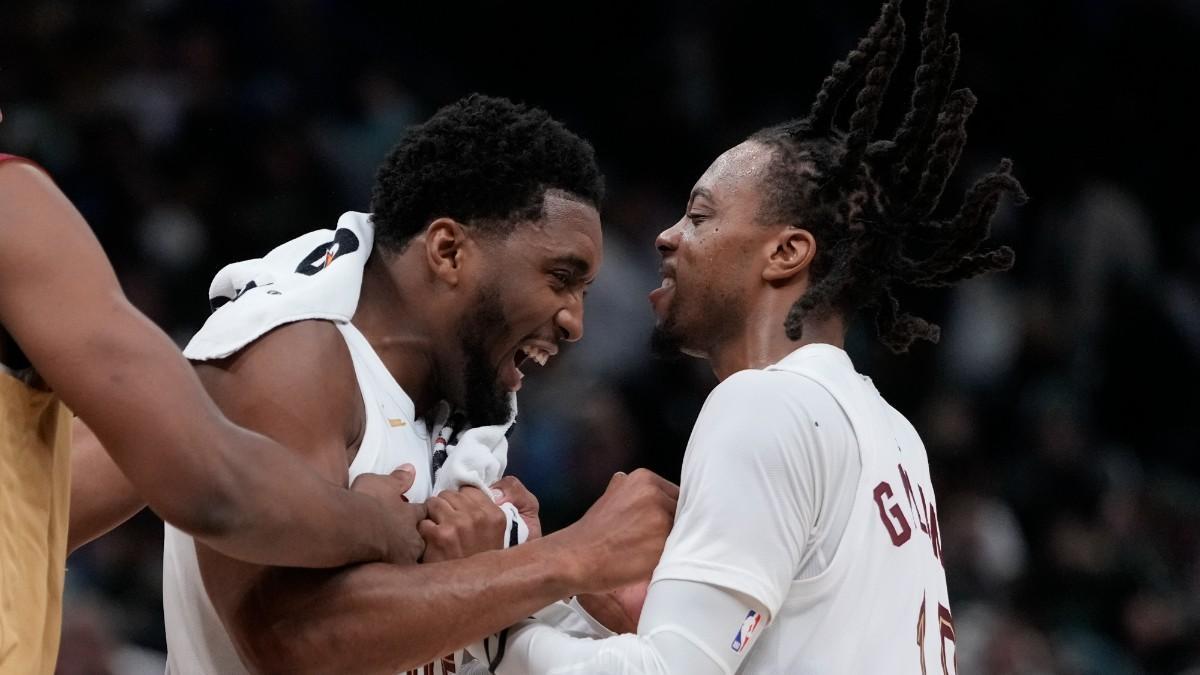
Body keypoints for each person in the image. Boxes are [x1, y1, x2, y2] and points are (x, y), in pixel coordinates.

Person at [489, 0, 1026, 672]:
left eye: (699, 214)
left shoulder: (764, 403)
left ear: (786, 253)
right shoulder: (895, 436)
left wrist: (503, 615)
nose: (667, 235)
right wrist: (582, 608)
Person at [158, 94, 678, 675]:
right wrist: (574, 555)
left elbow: (457, 634)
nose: (575, 322)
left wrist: (579, 599)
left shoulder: (459, 398)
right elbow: (292, 642)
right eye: (561, 279)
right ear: (448, 251)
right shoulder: (292, 357)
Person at [0, 148, 437, 675]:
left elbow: (44, 501)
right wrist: (378, 523)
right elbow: (215, 489)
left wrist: (209, 374)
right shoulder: (12, 203)